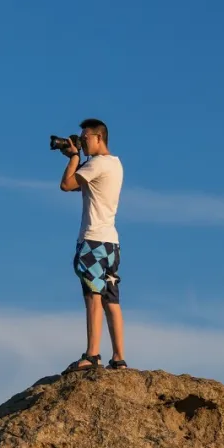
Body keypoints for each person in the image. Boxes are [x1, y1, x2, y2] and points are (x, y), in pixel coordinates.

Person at [58, 118, 127, 372]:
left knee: (93, 295)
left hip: (93, 239)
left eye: (85, 138)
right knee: (111, 298)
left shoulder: (96, 164)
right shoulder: (114, 165)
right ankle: (119, 357)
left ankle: (93, 354)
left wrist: (73, 158)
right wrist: (77, 158)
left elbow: (67, 185)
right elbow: (82, 186)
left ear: (99, 138)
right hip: (111, 242)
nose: (82, 141)